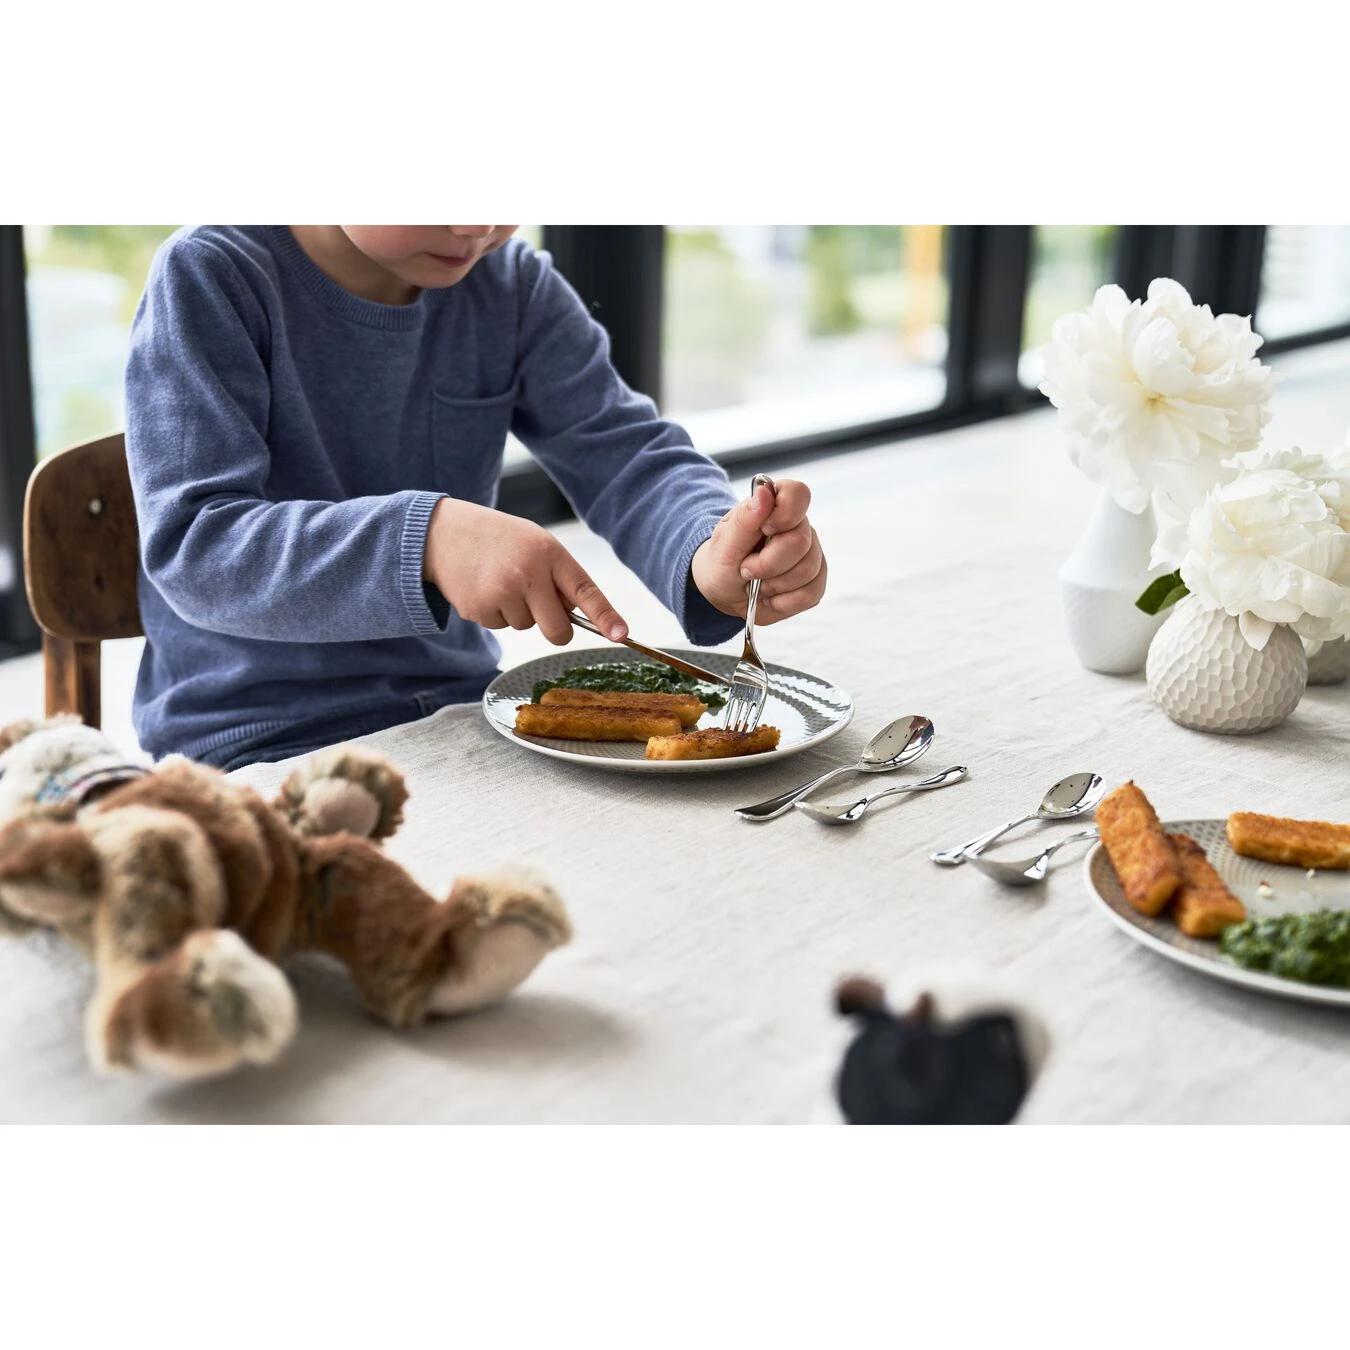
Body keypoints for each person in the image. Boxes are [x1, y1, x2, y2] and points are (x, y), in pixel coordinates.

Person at [124, 226, 828, 770]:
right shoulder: (212, 274)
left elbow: (626, 453)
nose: (476, 226)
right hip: (254, 740)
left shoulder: (509, 285)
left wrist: (710, 550)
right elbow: (196, 547)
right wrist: (426, 539)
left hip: (461, 711)